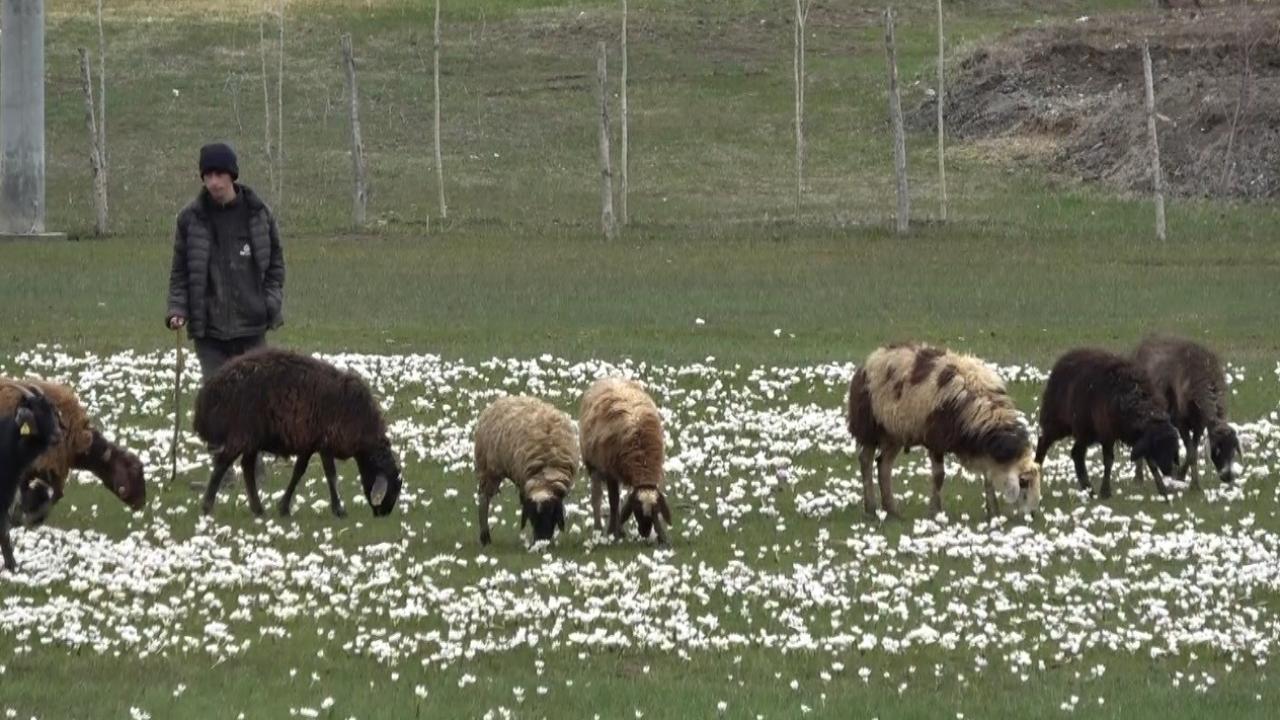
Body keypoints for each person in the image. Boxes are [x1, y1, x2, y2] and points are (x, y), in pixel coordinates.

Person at [166, 142, 285, 379]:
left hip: (251, 329)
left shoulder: (259, 215)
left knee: (254, 394)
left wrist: (269, 303)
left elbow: (275, 266)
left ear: (232, 175)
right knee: (218, 395)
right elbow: (180, 273)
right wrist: (177, 309)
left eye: (219, 174)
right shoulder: (190, 219)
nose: (214, 182)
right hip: (210, 334)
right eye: (208, 176)